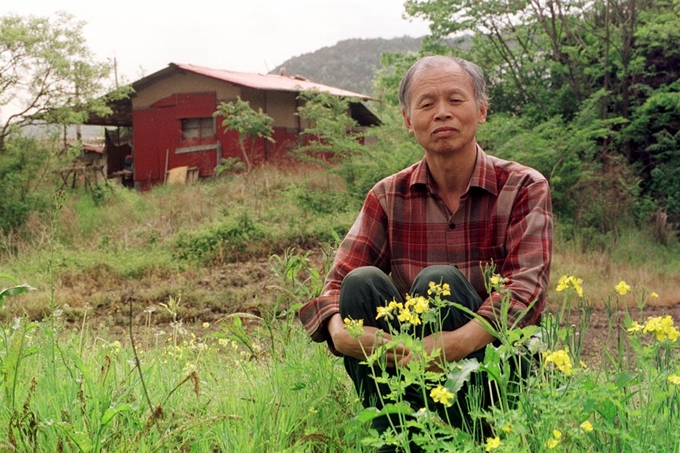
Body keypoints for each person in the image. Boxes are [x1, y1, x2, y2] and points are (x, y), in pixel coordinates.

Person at [299, 55, 553, 450]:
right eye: (427, 103)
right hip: (407, 364)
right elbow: (335, 284)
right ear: (406, 118)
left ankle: (474, 436)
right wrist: (339, 333)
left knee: (440, 282)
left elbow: (525, 293)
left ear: (482, 110)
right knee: (360, 283)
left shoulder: (523, 187)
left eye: (455, 99)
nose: (442, 114)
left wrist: (455, 343)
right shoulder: (387, 195)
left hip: (496, 373)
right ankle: (397, 437)